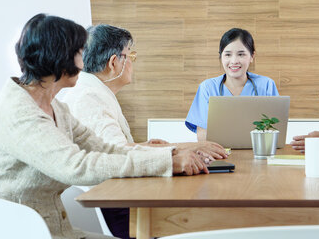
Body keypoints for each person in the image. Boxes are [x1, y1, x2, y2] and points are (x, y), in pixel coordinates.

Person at [0, 14, 208, 239]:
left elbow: (105, 149)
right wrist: (165, 162)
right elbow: (76, 166)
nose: (84, 62)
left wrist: (169, 155)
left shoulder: (56, 108)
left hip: (52, 229)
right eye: (79, 52)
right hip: (15, 232)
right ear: (59, 57)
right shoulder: (20, 114)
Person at [62, 24, 228, 239]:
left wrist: (163, 147)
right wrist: (185, 148)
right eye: (130, 56)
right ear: (115, 62)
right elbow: (118, 153)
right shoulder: (89, 97)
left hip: (118, 197)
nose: (132, 62)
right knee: (199, 221)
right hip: (114, 207)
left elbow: (116, 148)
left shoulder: (93, 90)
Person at [185, 28, 279, 141]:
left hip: (258, 153)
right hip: (219, 154)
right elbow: (202, 137)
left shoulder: (266, 85)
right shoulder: (208, 88)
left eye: (241, 54)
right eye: (228, 55)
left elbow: (275, 131)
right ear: (221, 56)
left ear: (252, 56)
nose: (234, 61)